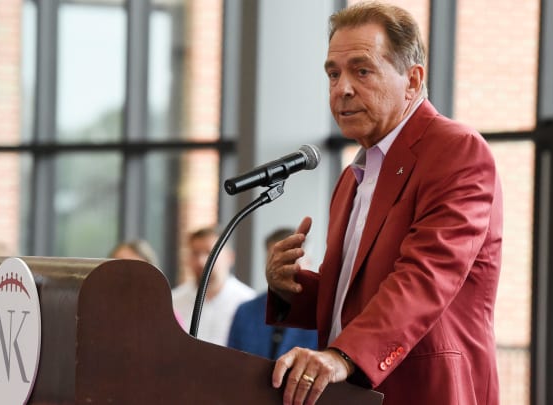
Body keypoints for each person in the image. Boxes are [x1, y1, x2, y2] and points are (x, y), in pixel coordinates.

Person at [264, 2, 503, 404]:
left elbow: (425, 276)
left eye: (362, 70)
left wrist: (342, 355)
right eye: (333, 74)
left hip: (427, 392)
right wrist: (290, 289)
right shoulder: (353, 176)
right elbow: (352, 297)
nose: (342, 88)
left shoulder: (456, 151)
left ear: (412, 81)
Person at [227, 228, 318, 359]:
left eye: (292, 259)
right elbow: (230, 364)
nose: (283, 267)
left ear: (308, 262)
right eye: (275, 260)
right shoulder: (245, 312)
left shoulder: (323, 316)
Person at [172, 227, 255, 345]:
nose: (201, 261)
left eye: (209, 252)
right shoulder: (173, 302)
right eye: (195, 253)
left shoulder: (247, 301)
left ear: (229, 257)